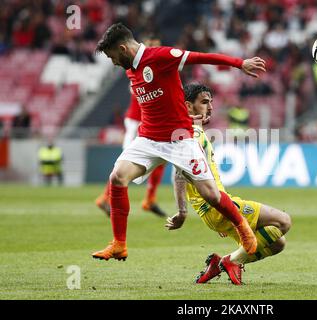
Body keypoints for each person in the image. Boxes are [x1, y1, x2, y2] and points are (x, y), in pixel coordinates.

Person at [92, 23, 266, 261]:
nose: (113, 62)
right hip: (148, 139)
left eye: (113, 57)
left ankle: (243, 227)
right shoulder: (130, 69)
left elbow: (201, 57)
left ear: (122, 48)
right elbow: (159, 102)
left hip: (179, 140)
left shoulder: (161, 56)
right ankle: (119, 244)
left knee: (211, 196)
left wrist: (239, 64)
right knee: (117, 177)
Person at [165, 84, 291, 285]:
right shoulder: (193, 136)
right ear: (188, 107)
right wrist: (182, 212)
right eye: (204, 102)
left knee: (277, 243)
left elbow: (181, 173)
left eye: (211, 102)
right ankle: (229, 261)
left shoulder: (193, 133)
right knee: (283, 221)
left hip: (215, 208)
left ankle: (220, 263)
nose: (211, 107)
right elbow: (179, 173)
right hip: (215, 207)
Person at [95, 38, 167, 218]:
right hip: (137, 122)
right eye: (152, 44)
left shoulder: (151, 65)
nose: (155, 48)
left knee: (162, 158)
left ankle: (149, 199)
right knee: (126, 163)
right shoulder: (138, 68)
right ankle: (105, 197)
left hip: (144, 123)